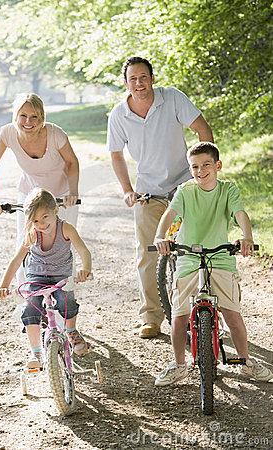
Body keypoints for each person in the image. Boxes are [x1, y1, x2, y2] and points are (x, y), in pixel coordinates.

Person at [106, 56, 214, 338]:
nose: (139, 84)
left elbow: (203, 129)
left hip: (183, 185)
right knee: (148, 252)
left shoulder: (172, 98)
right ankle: (151, 316)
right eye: (133, 79)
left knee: (199, 246)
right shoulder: (119, 115)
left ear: (152, 78)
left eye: (144, 77)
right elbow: (115, 154)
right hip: (147, 193)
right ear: (126, 83)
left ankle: (207, 309)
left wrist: (206, 172)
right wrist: (128, 190)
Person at [154, 142, 273, 384]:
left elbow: (240, 214)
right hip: (189, 258)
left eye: (206, 164)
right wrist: (160, 237)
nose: (200, 170)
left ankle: (245, 361)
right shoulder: (186, 191)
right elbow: (169, 216)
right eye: (194, 166)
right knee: (179, 317)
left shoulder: (228, 190)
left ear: (217, 165)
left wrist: (247, 237)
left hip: (220, 257)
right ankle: (178, 365)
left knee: (232, 315)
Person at [0, 93, 79, 282]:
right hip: (29, 195)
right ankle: (25, 297)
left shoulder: (55, 134)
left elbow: (72, 162)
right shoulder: (7, 133)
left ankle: (65, 296)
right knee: (25, 243)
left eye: (34, 116)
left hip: (60, 195)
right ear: (16, 116)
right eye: (23, 116)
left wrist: (73, 193)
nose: (28, 121)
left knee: (64, 243)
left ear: (42, 118)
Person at [0, 188, 92, 369]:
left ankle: (71, 331)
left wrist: (86, 269)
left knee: (66, 301)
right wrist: (3, 285)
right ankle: (36, 353)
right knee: (30, 307)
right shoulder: (32, 234)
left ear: (55, 210)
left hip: (61, 276)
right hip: (36, 277)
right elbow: (16, 260)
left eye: (45, 217)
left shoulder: (66, 228)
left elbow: (83, 250)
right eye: (35, 220)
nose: (41, 224)